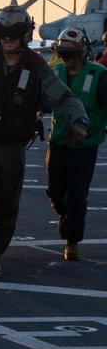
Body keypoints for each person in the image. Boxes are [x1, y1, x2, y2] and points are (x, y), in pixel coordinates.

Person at [0, 5, 89, 279]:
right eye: (4, 34)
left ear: (25, 35)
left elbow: (62, 97)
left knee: (7, 199)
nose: (8, 39)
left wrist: (78, 121)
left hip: (12, 142)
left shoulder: (37, 67)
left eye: (14, 34)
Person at [45, 27, 107, 260]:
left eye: (69, 54)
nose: (65, 59)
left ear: (82, 53)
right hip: (59, 142)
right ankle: (65, 214)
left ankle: (72, 242)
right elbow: (41, 99)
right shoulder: (55, 72)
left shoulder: (98, 75)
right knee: (56, 193)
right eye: (61, 53)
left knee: (77, 196)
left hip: (86, 146)